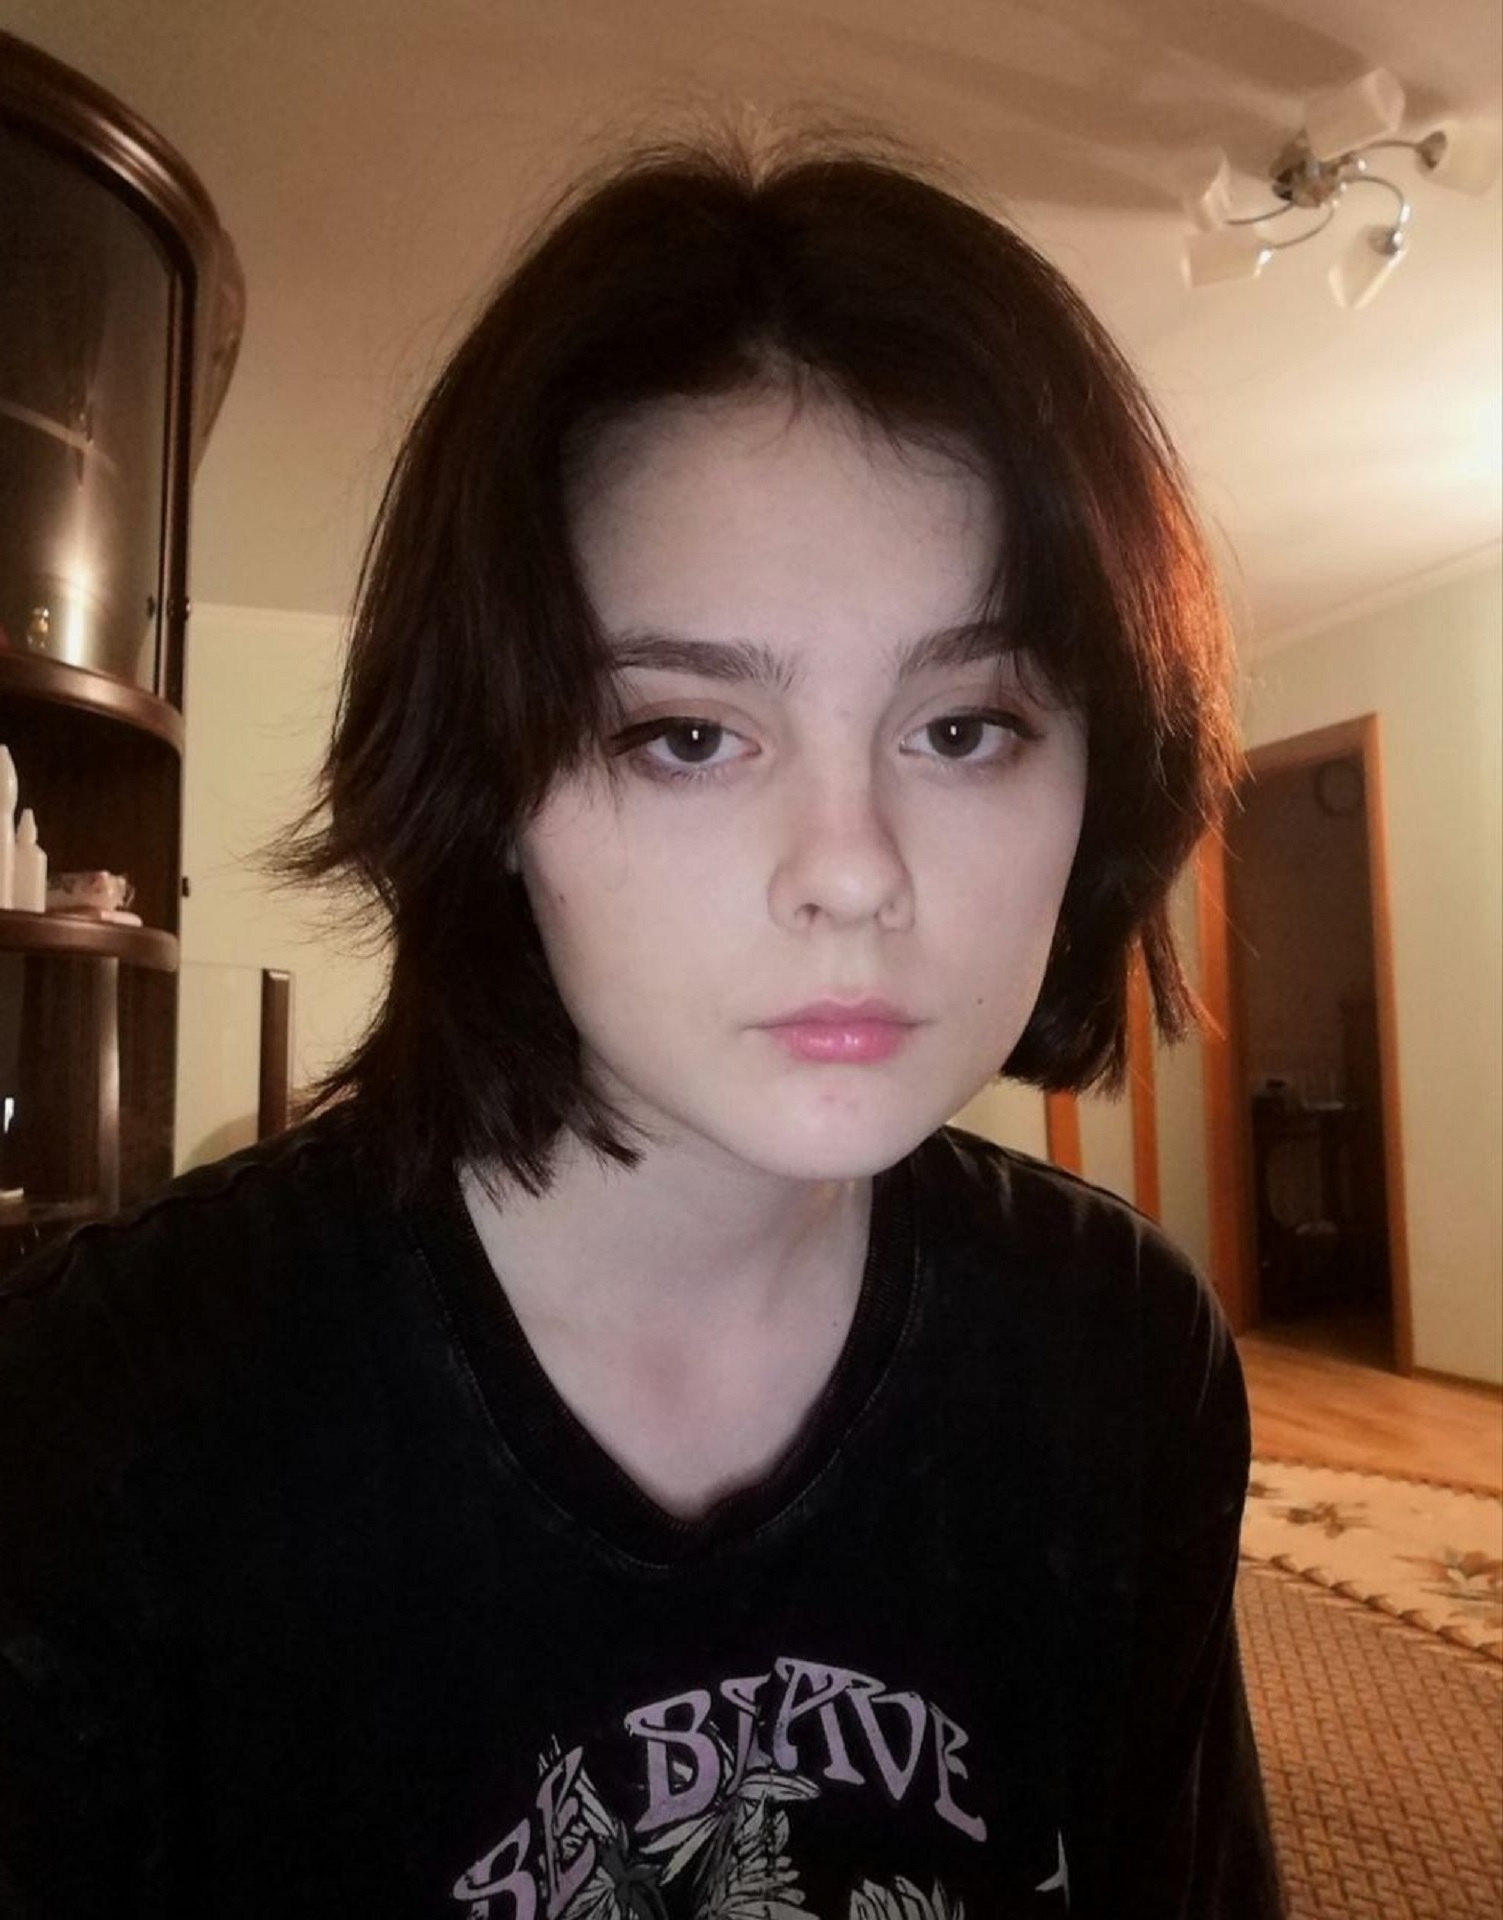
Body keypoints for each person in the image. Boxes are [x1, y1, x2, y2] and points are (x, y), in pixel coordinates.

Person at [0, 128, 1284, 1918]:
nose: (851, 871)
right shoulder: (107, 1422)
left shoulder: (1119, 1355)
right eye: (686, 734)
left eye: (963, 727)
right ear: (490, 788)